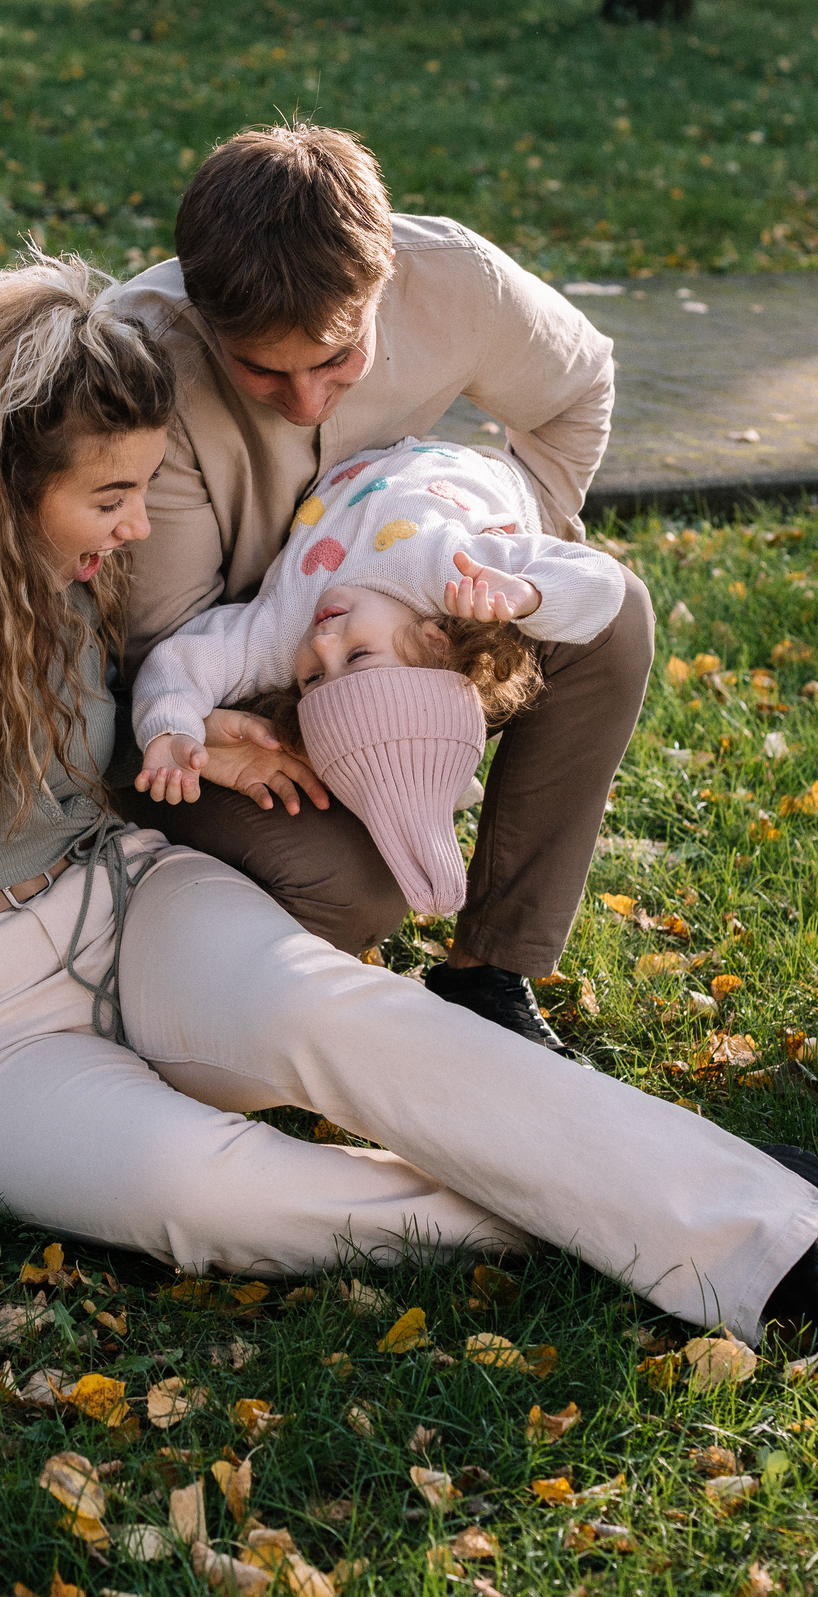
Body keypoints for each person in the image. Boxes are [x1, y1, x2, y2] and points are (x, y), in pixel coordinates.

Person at [0, 252, 818, 1404]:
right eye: (110, 496)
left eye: (140, 492)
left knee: (349, 1022)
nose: (133, 529)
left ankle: (781, 1252)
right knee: (206, 1192)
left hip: (127, 899)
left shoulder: (51, 564)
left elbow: (81, 732)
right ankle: (612, 1207)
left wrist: (201, 730)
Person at [112, 124, 647, 1051]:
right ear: (204, 317)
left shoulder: (453, 280)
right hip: (215, 686)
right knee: (355, 886)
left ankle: (492, 970)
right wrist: (308, 707)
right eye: (263, 372)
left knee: (612, 614)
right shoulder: (138, 364)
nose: (311, 400)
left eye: (337, 360)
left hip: (405, 603)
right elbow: (160, 646)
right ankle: (175, 973)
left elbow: (577, 384)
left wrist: (509, 546)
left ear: (382, 284)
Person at [130, 435, 625, 948]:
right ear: (434, 643)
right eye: (359, 657)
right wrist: (529, 593)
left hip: (362, 467)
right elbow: (603, 583)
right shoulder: (451, 571)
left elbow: (180, 661)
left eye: (314, 680)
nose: (323, 645)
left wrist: (169, 729)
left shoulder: (280, 634)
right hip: (464, 465)